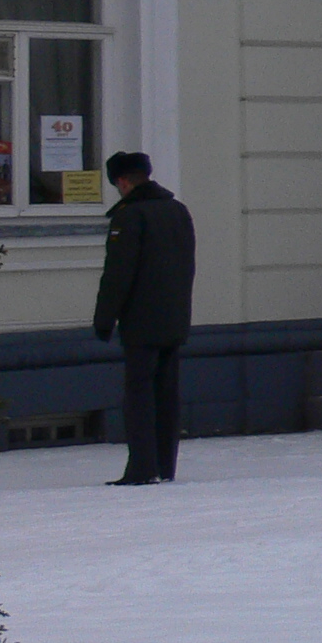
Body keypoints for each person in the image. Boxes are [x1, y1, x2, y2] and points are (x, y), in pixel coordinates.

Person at [92, 149, 195, 487]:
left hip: (141, 322)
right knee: (167, 395)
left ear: (123, 181)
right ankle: (166, 466)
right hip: (174, 319)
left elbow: (118, 274)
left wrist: (104, 320)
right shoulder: (178, 211)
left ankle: (141, 468)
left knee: (139, 395)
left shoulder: (130, 217)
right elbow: (186, 267)